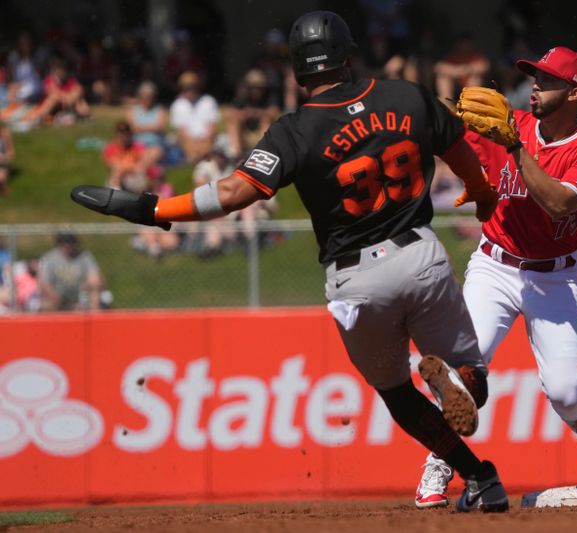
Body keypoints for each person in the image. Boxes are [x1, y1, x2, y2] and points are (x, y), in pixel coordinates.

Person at [71, 10, 508, 513]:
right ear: (348, 54)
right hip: (419, 254)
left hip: (356, 281)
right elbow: (458, 149)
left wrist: (155, 209)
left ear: (298, 72)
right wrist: (480, 193)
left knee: (396, 393)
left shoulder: (294, 130)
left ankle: (479, 475)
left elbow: (235, 193)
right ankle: (459, 386)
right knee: (475, 375)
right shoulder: (406, 95)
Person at [414, 47, 577, 508]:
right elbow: (449, 120)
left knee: (565, 392)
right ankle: (440, 463)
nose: (534, 87)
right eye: (533, 78)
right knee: (461, 372)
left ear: (575, 92)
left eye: (546, 80)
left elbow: (561, 203)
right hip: (494, 264)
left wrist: (514, 148)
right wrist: (409, 102)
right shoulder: (510, 125)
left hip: (554, 279)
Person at [38, 232, 104, 312]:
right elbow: (44, 283)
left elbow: (94, 276)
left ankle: (95, 321)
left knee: (94, 290)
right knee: (46, 305)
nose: (67, 245)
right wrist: (54, 296)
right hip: (57, 297)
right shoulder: (49, 259)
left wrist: (90, 284)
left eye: (70, 242)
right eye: (64, 242)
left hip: (80, 296)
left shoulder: (84, 256)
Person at [169, 71, 220, 164]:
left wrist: (204, 143)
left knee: (208, 146)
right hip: (188, 141)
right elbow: (182, 132)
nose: (190, 91)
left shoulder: (208, 101)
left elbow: (212, 127)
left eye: (192, 87)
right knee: (187, 144)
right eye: (186, 88)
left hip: (206, 140)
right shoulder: (177, 105)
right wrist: (194, 145)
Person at [226, 69, 278, 159]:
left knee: (266, 120)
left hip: (262, 130)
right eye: (253, 87)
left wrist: (254, 113)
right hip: (245, 131)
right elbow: (231, 112)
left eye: (258, 87)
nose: (255, 90)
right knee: (234, 120)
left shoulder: (269, 96)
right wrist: (244, 114)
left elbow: (274, 112)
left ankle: (261, 152)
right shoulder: (243, 96)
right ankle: (237, 155)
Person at [127, 81, 167, 168]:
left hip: (155, 145)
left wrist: (141, 128)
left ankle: (137, 171)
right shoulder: (133, 110)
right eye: (144, 95)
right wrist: (151, 127)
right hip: (137, 144)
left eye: (149, 96)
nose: (146, 98)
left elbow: (159, 127)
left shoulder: (160, 110)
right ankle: (138, 172)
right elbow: (132, 128)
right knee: (141, 153)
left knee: (154, 152)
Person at [0, 123, 15, 196]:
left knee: (2, 176)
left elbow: (11, 153)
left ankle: (2, 189)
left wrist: (5, 157)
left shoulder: (5, 139)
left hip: (2, 163)